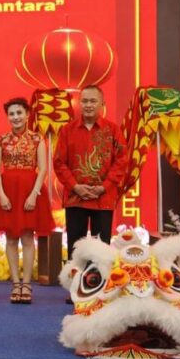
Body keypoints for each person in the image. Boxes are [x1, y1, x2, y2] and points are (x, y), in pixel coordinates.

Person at [0, 97, 54, 304]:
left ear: (27, 115)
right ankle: (15, 284)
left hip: (30, 192)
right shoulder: (1, 140)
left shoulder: (37, 139)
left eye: (19, 113)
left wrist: (34, 194)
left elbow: (43, 169)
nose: (15, 117)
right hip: (7, 192)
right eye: (11, 114)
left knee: (27, 238)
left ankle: (27, 284)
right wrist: (1, 194)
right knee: (11, 238)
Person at [53, 84, 128, 260]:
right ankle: (76, 276)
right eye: (85, 101)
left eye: (93, 101)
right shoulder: (67, 130)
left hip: (103, 198)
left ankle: (99, 277)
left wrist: (104, 186)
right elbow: (59, 162)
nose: (88, 105)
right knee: (75, 250)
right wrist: (75, 186)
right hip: (75, 198)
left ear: (102, 104)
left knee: (101, 251)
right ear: (79, 103)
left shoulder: (113, 130)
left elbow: (122, 161)